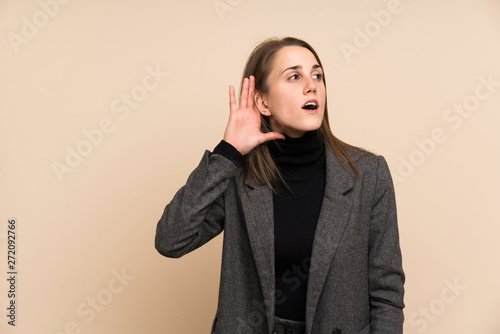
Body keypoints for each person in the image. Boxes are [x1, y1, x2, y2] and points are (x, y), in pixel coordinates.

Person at [155, 37, 405, 334]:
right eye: (294, 76)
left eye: (317, 75)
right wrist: (228, 151)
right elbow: (171, 240)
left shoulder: (368, 172)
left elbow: (387, 292)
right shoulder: (236, 173)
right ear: (263, 102)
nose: (311, 85)